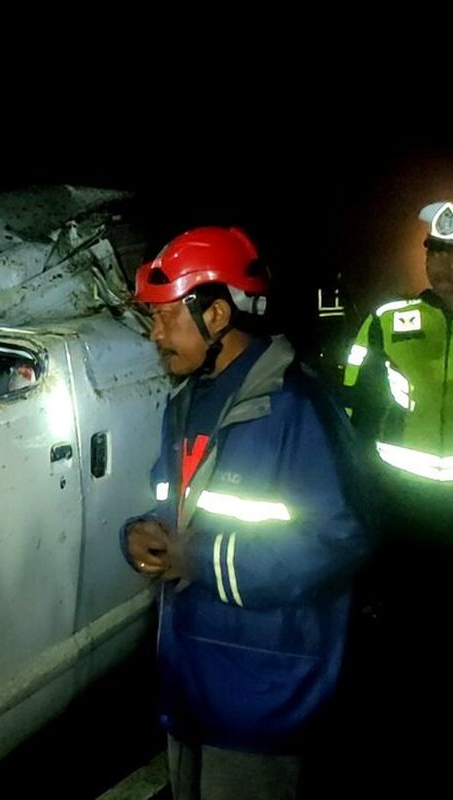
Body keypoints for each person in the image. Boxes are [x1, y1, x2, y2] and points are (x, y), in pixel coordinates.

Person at [122, 226, 371, 799]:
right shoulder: (184, 403)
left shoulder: (294, 409)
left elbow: (341, 536)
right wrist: (138, 535)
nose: (154, 334)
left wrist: (201, 559)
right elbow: (178, 507)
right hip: (191, 686)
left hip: (261, 700)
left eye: (164, 316)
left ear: (216, 314)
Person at [340, 199, 453, 789]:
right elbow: (354, 401)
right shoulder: (389, 320)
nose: (445, 268)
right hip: (405, 505)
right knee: (407, 636)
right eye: (437, 254)